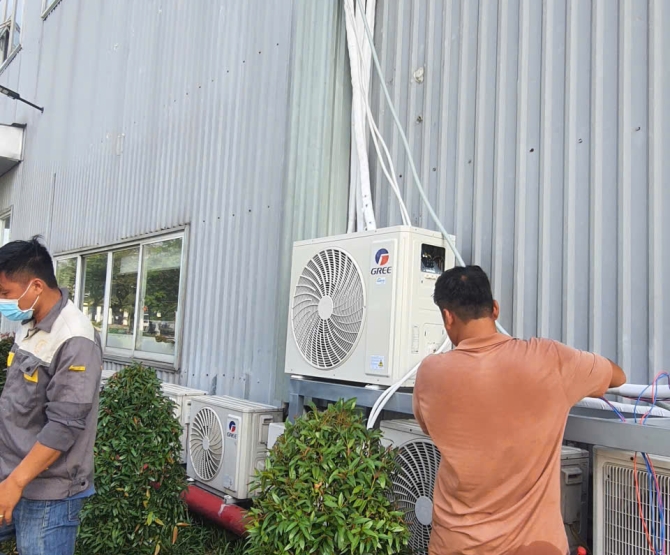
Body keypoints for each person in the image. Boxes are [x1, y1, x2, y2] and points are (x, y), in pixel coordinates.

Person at [413, 265, 626, 555]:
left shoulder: (430, 373)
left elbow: (428, 427)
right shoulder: (549, 359)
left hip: (457, 545)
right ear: (495, 309)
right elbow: (617, 376)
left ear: (448, 316)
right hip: (535, 546)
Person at [0, 237, 103, 555]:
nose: (1, 301)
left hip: (47, 494)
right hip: (9, 474)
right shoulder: (30, 321)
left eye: (4, 293)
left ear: (36, 286)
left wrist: (16, 482)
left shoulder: (75, 337)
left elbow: (64, 425)